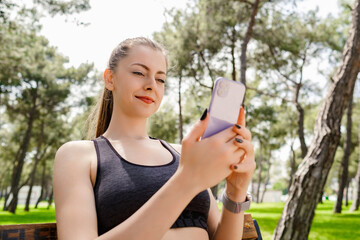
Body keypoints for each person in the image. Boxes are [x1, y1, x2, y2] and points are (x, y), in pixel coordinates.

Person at [53, 37, 256, 240]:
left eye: (160, 79)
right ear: (110, 79)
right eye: (139, 73)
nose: (152, 85)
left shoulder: (183, 154)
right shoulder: (78, 156)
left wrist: (236, 192)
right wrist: (187, 180)